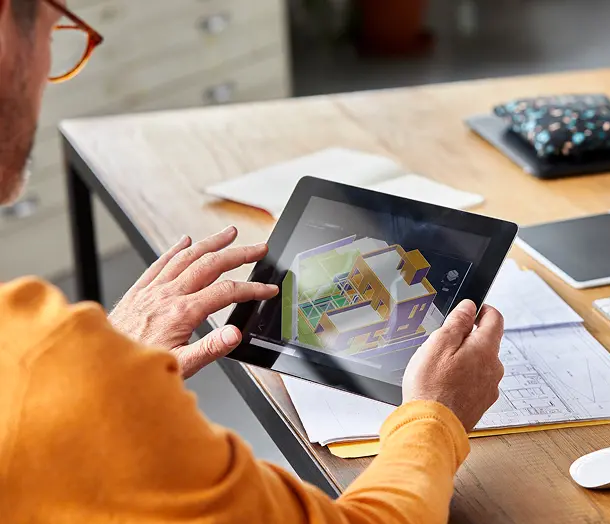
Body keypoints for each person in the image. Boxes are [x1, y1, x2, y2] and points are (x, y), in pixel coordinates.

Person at [0, 0, 506, 522]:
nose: (47, 72)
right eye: (53, 33)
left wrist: (101, 369)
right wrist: (436, 416)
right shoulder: (39, 365)